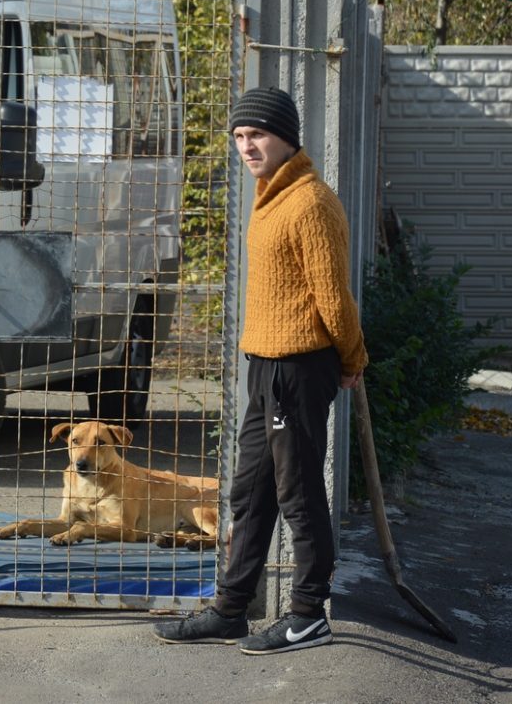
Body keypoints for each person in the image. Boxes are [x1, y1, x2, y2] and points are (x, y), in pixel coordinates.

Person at [153, 86, 368, 655]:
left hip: (298, 369)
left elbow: (334, 297)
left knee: (298, 494)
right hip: (266, 366)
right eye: (241, 137)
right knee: (251, 491)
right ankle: (230, 610)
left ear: (286, 138)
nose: (247, 146)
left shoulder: (309, 202)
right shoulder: (270, 195)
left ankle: (307, 615)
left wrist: (352, 357)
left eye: (258, 136)